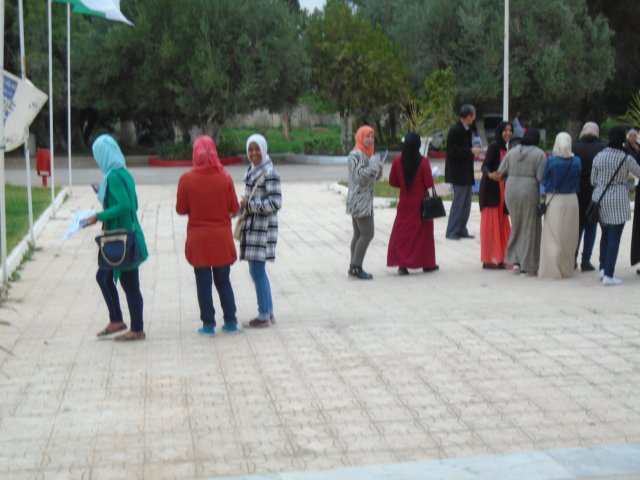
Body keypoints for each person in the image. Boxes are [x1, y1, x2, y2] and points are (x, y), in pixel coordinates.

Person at [85, 134, 148, 341]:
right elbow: (134, 203)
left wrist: (99, 216)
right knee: (103, 277)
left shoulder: (112, 177)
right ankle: (116, 320)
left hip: (123, 240)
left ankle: (137, 329)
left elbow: (126, 206)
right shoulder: (124, 174)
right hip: (124, 236)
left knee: (130, 286)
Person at [176, 136, 240, 336]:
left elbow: (181, 209)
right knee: (224, 281)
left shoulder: (186, 179)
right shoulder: (225, 178)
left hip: (199, 240)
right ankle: (230, 321)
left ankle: (208, 324)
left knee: (203, 282)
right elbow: (234, 207)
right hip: (221, 238)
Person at [489, 128, 547, 275]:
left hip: (511, 189)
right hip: (528, 190)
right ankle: (526, 265)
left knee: (516, 225)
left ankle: (515, 261)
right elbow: (541, 177)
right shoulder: (539, 154)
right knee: (529, 227)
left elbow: (500, 172)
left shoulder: (512, 152)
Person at [238, 134, 282, 327]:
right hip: (253, 228)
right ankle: (268, 313)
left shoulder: (269, 172)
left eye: (257, 149)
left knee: (257, 271)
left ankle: (264, 315)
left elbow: (276, 202)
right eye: (250, 149)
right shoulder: (253, 170)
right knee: (257, 271)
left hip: (262, 230)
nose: (254, 153)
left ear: (264, 149)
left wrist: (250, 205)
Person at [591, 126, 640, 286]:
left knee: (605, 235)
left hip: (600, 198)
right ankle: (609, 275)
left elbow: (593, 180)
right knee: (614, 238)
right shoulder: (626, 158)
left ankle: (603, 268)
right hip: (618, 198)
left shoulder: (599, 156)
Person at [386, 132, 438, 275]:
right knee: (423, 235)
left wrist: (405, 186)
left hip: (404, 203)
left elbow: (392, 181)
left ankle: (402, 264)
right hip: (421, 204)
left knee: (403, 233)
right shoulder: (424, 162)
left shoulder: (397, 161)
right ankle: (427, 263)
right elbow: (429, 184)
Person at [538, 132, 582, 279]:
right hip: (572, 200)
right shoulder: (577, 161)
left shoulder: (552, 161)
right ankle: (567, 267)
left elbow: (545, 179)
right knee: (569, 235)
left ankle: (552, 268)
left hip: (555, 199)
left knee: (552, 234)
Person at [346, 125, 383, 279]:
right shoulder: (356, 155)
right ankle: (356, 267)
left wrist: (378, 169)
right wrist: (373, 165)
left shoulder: (366, 154)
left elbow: (371, 178)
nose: (370, 139)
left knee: (359, 234)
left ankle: (354, 266)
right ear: (360, 137)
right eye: (367, 136)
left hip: (363, 200)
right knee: (367, 233)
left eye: (372, 137)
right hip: (359, 201)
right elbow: (360, 176)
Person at [444, 104, 486, 240]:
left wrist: (475, 150)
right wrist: (470, 151)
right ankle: (452, 230)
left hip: (466, 170)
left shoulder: (468, 129)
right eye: (473, 115)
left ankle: (461, 229)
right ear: (468, 116)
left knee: (466, 202)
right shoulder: (455, 130)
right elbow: (451, 150)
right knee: (459, 202)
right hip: (458, 171)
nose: (474, 118)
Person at [572, 122, 606, 272]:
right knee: (591, 227)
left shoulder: (574, 146)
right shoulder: (602, 148)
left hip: (577, 192)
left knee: (577, 227)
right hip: (595, 192)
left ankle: (572, 258)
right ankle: (586, 260)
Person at [479, 121, 513, 269]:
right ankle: (489, 259)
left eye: (510, 130)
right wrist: (490, 175)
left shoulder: (504, 148)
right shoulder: (494, 146)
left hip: (502, 190)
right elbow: (484, 166)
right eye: (505, 130)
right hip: (491, 190)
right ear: (500, 131)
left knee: (500, 222)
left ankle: (500, 257)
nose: (508, 133)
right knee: (491, 224)